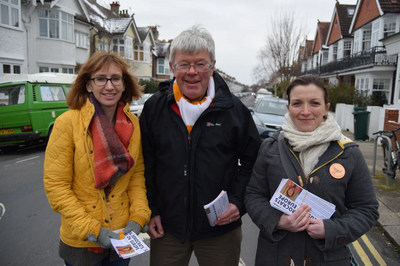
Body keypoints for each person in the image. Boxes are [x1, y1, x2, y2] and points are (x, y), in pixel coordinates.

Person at [139, 25, 261, 266]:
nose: (192, 72)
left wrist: (239, 202)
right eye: (184, 64)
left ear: (212, 66)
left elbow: (253, 163)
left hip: (220, 229)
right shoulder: (155, 108)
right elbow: (145, 163)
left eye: (200, 64)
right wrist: (151, 210)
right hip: (168, 229)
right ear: (172, 67)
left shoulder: (234, 111)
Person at [244, 75, 379, 266]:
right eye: (297, 103)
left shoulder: (348, 153)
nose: (305, 111)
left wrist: (331, 229)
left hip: (327, 259)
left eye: (314, 103)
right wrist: (278, 221)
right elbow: (253, 195)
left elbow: (367, 209)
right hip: (274, 256)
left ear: (326, 108)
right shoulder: (270, 147)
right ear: (288, 107)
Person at [43, 51, 151, 266]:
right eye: (100, 79)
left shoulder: (133, 124)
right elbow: (57, 186)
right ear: (88, 85)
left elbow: (136, 177)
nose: (109, 86)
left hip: (121, 236)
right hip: (81, 241)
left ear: (124, 83)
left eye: (115, 78)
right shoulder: (67, 123)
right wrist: (92, 229)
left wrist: (138, 217)